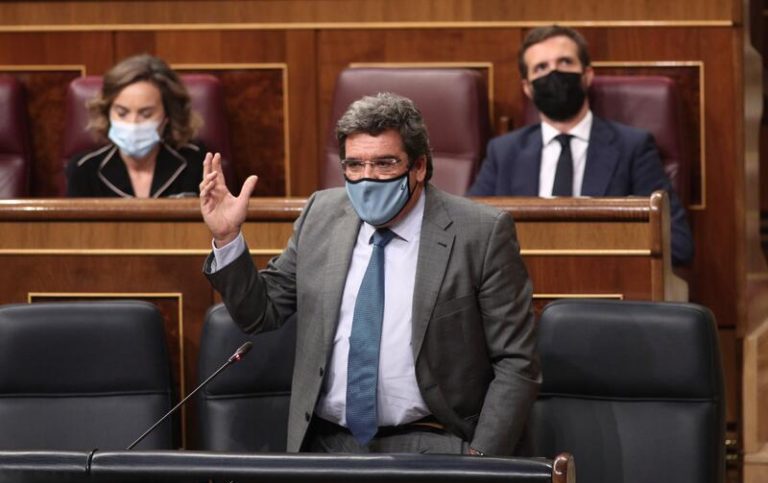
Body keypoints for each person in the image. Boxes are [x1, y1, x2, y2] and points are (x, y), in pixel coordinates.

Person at [200, 92, 540, 456]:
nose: (367, 178)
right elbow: (260, 313)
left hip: (434, 440)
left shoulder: (480, 233)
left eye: (384, 164)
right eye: (354, 165)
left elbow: (516, 361)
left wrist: (481, 459)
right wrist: (227, 238)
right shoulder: (321, 214)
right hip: (326, 443)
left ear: (419, 166)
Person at [468, 25, 694, 266]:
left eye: (565, 62)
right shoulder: (504, 152)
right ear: (527, 87)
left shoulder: (633, 147)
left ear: (587, 75)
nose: (554, 73)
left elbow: (677, 243)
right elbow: (465, 235)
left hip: (606, 281)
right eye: (541, 67)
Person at [66, 54, 204, 198]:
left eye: (146, 114)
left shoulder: (196, 162)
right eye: (122, 113)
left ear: (167, 116)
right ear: (108, 113)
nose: (133, 123)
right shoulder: (84, 170)